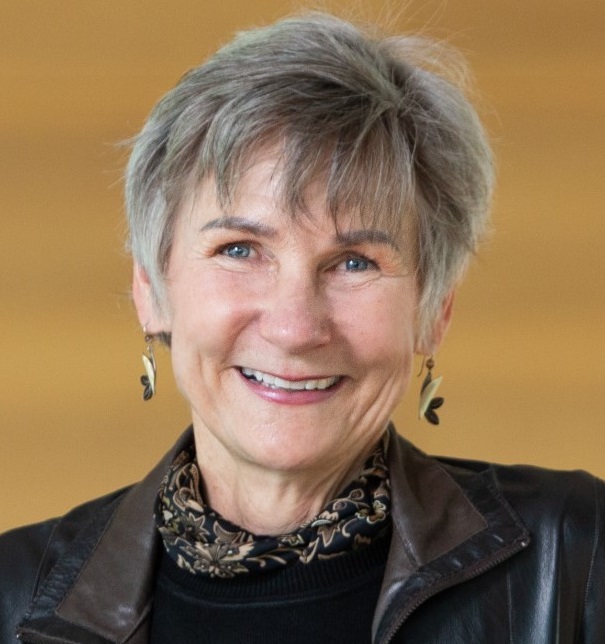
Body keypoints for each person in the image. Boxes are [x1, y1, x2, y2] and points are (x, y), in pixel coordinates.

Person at [1, 11, 603, 644]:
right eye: (239, 250)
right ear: (151, 291)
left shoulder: (574, 560)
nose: (294, 328)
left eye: (355, 262)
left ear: (434, 311)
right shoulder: (12, 599)